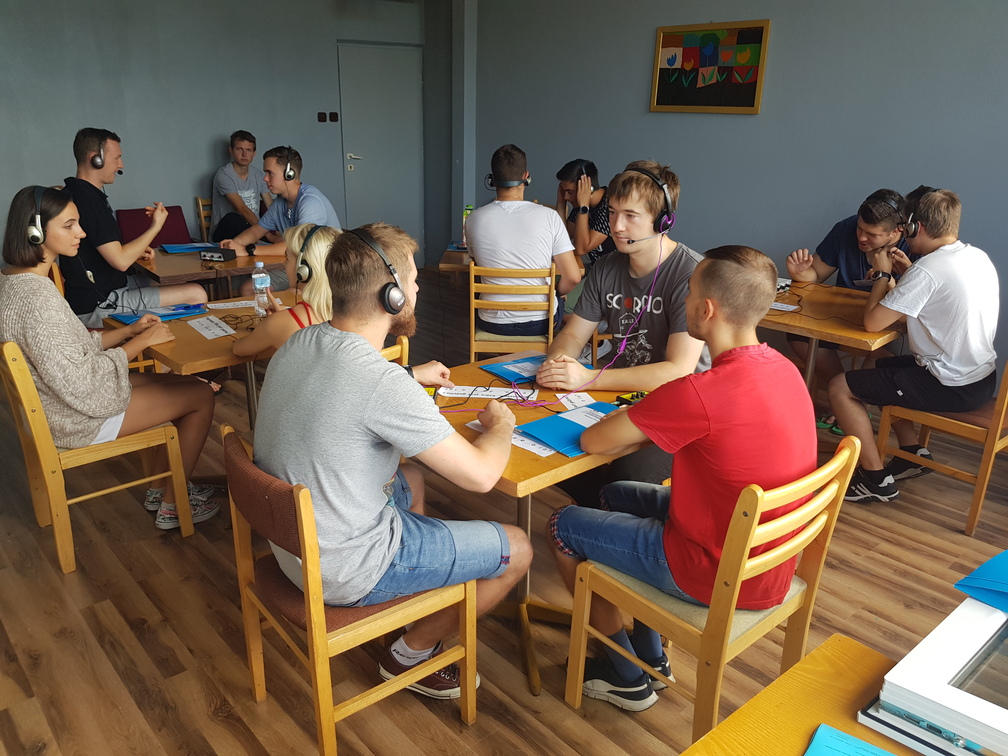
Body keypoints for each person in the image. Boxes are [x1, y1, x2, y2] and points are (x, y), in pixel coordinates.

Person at [253, 222, 532, 699]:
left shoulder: (300, 340)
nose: (417, 290)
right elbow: (482, 476)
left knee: (412, 477)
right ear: (392, 295)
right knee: (518, 547)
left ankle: (407, 605)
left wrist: (406, 377)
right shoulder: (379, 383)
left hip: (291, 547)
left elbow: (354, 387)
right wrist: (502, 425)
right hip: (344, 568)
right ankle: (410, 653)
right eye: (413, 280)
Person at [549, 245, 817, 711]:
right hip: (767, 558)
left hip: (715, 571)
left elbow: (594, 441)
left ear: (706, 309)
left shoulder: (699, 392)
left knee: (562, 524)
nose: (684, 301)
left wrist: (627, 421)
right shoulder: (786, 371)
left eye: (688, 293)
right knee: (612, 495)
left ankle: (623, 672)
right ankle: (651, 653)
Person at [0, 186, 220, 529]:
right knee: (201, 394)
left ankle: (163, 490)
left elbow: (68, 349)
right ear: (36, 232)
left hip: (55, 403)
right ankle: (174, 506)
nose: (81, 233)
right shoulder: (38, 299)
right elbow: (81, 381)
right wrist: (140, 342)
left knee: (180, 383)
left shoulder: (14, 280)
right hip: (73, 417)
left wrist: (127, 332)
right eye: (69, 225)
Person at [536, 160, 707, 504]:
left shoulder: (691, 275)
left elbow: (678, 371)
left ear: (663, 221)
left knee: (623, 479)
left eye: (630, 216)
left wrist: (588, 377)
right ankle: (595, 521)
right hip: (620, 396)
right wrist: (559, 362)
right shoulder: (607, 267)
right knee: (555, 450)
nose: (616, 226)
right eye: (613, 213)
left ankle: (601, 523)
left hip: (680, 408)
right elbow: (574, 334)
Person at [828, 188, 999, 503]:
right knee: (880, 367)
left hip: (949, 385)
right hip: (980, 378)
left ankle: (876, 480)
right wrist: (907, 273)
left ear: (914, 227)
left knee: (840, 387)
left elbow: (873, 323)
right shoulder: (975, 256)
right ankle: (911, 453)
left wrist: (882, 274)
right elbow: (938, 300)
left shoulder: (928, 269)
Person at [785, 189, 913, 427]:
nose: (861, 238)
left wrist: (889, 278)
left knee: (884, 351)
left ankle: (849, 402)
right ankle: (848, 401)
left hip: (887, 323)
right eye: (859, 228)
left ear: (897, 231)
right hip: (840, 316)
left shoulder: (912, 246)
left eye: (872, 234)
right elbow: (816, 274)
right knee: (799, 337)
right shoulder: (845, 228)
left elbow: (910, 306)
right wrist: (801, 273)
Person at [60, 128, 208, 329]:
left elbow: (102, 251)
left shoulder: (79, 193)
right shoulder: (87, 201)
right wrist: (156, 226)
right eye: (116, 158)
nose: (120, 165)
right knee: (196, 294)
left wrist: (135, 251)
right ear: (96, 159)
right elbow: (121, 261)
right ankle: (175, 347)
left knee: (164, 283)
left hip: (106, 290)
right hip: (99, 305)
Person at [465, 144, 581, 336]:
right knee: (560, 300)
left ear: (492, 179)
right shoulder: (550, 217)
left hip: (492, 322)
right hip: (540, 322)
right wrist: (555, 293)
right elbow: (574, 277)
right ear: (526, 177)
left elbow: (476, 259)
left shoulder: (473, 219)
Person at [220, 146, 342, 294]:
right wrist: (234, 244)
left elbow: (296, 247)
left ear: (289, 174)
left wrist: (249, 250)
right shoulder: (279, 203)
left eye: (269, 173)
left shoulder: (310, 202)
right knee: (250, 286)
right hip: (299, 265)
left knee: (250, 288)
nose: (265, 178)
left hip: (322, 270)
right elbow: (256, 231)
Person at [232, 223, 340, 357]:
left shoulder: (279, 323)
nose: (284, 264)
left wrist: (273, 323)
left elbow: (239, 349)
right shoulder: (351, 311)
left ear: (303, 270)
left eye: (287, 259)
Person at [209, 130, 273, 243]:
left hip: (252, 229)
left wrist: (282, 229)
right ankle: (262, 242)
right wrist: (268, 235)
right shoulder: (224, 174)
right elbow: (242, 209)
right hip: (225, 231)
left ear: (254, 153)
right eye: (239, 149)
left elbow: (270, 206)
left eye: (248, 150)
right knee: (233, 218)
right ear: (231, 150)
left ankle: (263, 243)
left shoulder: (258, 175)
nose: (244, 154)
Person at [554, 158, 615, 268]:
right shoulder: (580, 206)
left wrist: (583, 207)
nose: (566, 197)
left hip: (612, 273)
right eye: (564, 191)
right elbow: (563, 238)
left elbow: (580, 249)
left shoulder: (609, 208)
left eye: (569, 192)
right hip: (596, 268)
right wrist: (561, 203)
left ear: (588, 189)